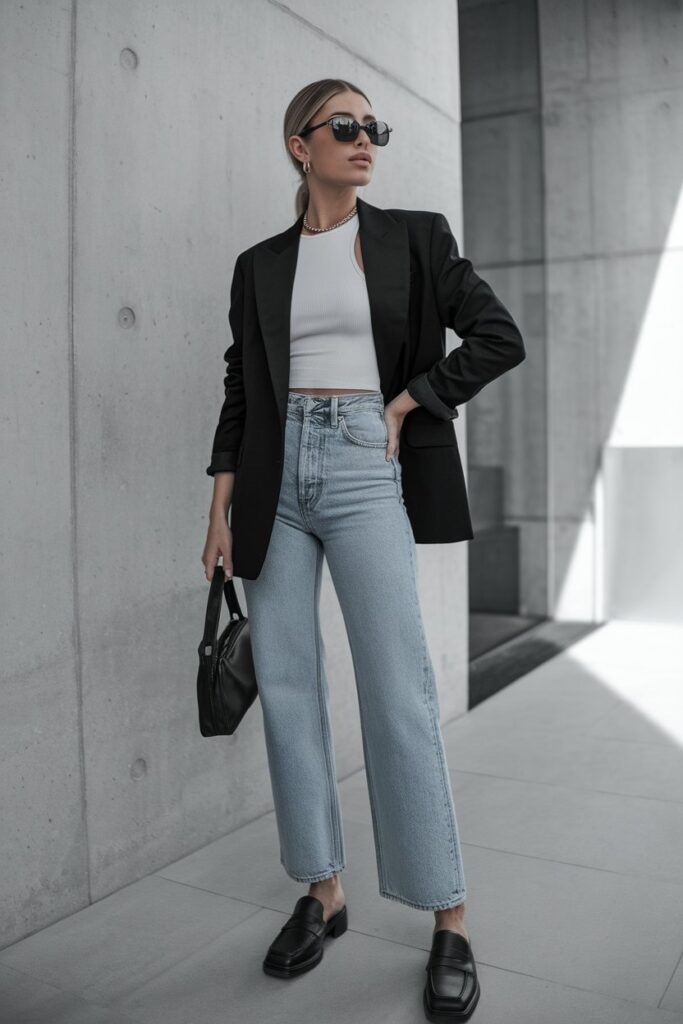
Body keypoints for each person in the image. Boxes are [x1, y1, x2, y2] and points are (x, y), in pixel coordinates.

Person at [202, 78, 525, 1022]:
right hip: (272, 478)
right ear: (299, 146)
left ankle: (449, 916)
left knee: (398, 689)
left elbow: (497, 336)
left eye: (373, 127)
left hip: (359, 465)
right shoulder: (259, 264)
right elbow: (240, 386)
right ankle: (322, 890)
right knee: (291, 688)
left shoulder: (414, 238)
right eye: (344, 127)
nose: (365, 140)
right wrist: (220, 501)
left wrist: (408, 398)